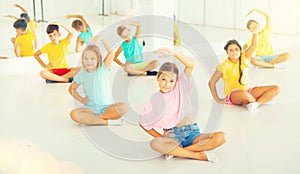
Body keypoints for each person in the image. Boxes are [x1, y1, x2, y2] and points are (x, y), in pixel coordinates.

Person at [139, 48, 226, 162]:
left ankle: (177, 152)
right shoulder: (155, 99)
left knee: (221, 137)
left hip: (192, 133)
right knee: (154, 143)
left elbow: (191, 65)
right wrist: (160, 137)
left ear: (176, 81)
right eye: (163, 79)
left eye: (171, 81)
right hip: (174, 136)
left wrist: (174, 53)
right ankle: (197, 155)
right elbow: (143, 122)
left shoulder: (180, 87)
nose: (167, 84)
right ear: (158, 78)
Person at [208, 29, 280, 111]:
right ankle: (264, 100)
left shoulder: (244, 58)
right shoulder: (223, 66)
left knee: (276, 88)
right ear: (227, 52)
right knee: (246, 96)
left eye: (236, 49)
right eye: (231, 50)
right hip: (233, 94)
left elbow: (253, 45)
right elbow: (211, 83)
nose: (234, 52)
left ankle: (257, 103)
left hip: (248, 90)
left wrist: (255, 32)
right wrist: (218, 100)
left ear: (240, 51)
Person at [69, 40, 128, 125]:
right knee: (73, 114)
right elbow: (71, 89)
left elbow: (111, 52)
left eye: (92, 59)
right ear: (83, 59)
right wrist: (81, 99)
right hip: (91, 108)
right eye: (86, 58)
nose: (89, 61)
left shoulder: (103, 68)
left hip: (107, 107)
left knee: (124, 106)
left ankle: (93, 119)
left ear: (98, 59)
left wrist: (102, 39)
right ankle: (106, 121)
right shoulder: (82, 74)